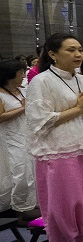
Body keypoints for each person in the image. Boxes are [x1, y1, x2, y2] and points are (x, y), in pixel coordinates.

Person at [25, 33, 83, 242]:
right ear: (52, 54)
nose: (78, 54)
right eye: (71, 50)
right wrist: (78, 109)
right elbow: (39, 121)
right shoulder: (42, 82)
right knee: (62, 207)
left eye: (80, 49)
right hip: (58, 151)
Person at [0, 59, 37, 217]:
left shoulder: (23, 90)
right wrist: (23, 109)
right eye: (20, 72)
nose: (23, 75)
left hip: (26, 134)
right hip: (10, 137)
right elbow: (1, 117)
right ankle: (19, 207)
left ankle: (30, 202)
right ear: (9, 75)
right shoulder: (1, 94)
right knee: (18, 171)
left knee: (30, 169)